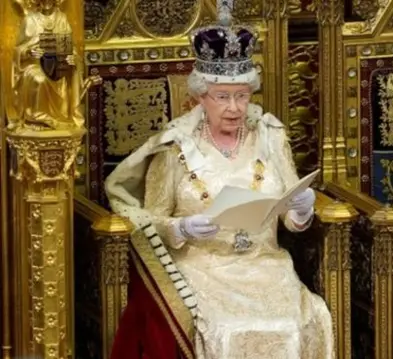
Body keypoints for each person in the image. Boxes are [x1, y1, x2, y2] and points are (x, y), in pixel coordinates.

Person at [103, 5, 334, 359]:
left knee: (297, 321)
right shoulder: (175, 146)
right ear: (199, 96)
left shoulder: (271, 136)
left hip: (266, 265)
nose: (234, 108)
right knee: (225, 327)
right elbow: (150, 222)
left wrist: (303, 209)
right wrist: (182, 228)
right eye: (223, 97)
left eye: (242, 95)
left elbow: (292, 216)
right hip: (203, 268)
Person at [12, 0, 85, 130]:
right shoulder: (29, 20)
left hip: (58, 65)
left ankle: (61, 118)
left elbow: (70, 46)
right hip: (34, 66)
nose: (47, 2)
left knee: (62, 78)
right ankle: (37, 118)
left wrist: (72, 57)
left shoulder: (62, 18)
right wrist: (29, 52)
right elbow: (17, 50)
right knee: (39, 79)